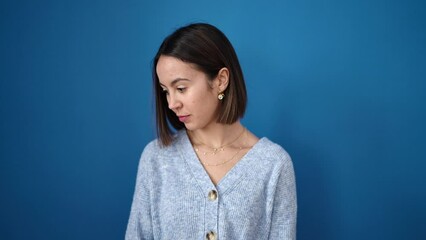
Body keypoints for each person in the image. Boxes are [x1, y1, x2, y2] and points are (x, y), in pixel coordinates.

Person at [125, 23, 297, 240]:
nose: (171, 103)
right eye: (165, 91)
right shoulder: (156, 158)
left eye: (180, 88)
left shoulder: (274, 165)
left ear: (221, 80)